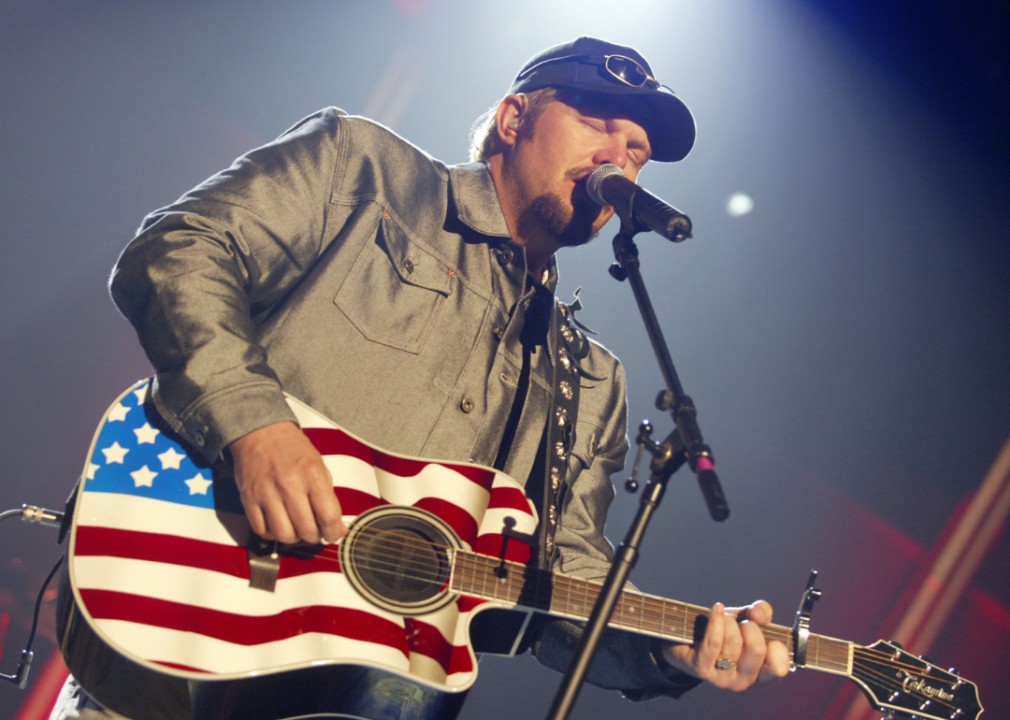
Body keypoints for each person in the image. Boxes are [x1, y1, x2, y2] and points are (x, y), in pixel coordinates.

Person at [51, 36, 788, 720]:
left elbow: (563, 597)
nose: (618, 159)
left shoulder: (589, 382)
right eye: (598, 121)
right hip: (178, 636)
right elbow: (176, 250)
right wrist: (254, 424)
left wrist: (670, 651)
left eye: (637, 150)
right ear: (512, 119)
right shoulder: (362, 167)